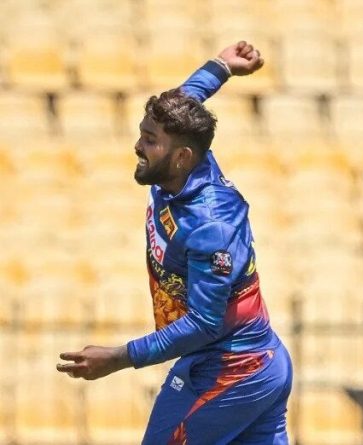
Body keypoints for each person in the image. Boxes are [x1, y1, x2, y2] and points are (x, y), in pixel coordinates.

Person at [57, 42, 293, 444]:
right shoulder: (179, 163)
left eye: (149, 140)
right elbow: (187, 97)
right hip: (248, 362)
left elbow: (205, 322)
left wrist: (119, 357)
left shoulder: (210, 224)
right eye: (141, 134)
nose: (138, 146)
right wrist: (222, 66)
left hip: (233, 369)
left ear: (181, 156)